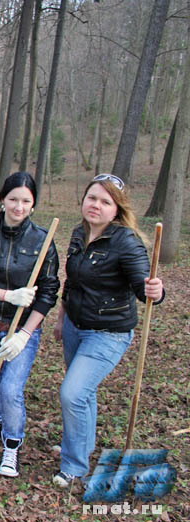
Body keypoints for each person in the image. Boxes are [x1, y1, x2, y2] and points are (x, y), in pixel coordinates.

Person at [52, 174, 165, 488]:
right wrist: (62, 318)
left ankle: (74, 465)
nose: (96, 206)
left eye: (105, 202)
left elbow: (145, 287)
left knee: (72, 393)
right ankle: (82, 447)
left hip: (108, 332)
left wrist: (156, 290)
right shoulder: (79, 233)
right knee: (83, 396)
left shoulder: (126, 242)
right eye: (92, 198)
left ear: (117, 209)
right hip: (76, 325)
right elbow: (72, 281)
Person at [0, 172, 59, 477]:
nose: (18, 206)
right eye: (13, 199)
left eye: (26, 201)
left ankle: (11, 445)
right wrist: (9, 295)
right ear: (3, 200)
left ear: (33, 205)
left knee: (10, 389)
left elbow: (47, 294)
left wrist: (24, 333)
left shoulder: (42, 241)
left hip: (21, 329)